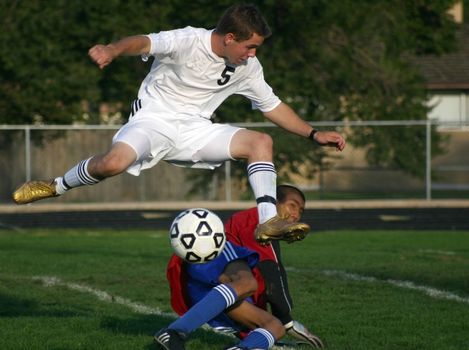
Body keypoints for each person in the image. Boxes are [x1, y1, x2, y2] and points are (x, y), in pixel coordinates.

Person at [12, 4, 345, 243]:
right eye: (250, 47)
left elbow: (272, 106)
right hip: (153, 120)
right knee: (113, 164)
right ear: (229, 37)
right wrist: (113, 50)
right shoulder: (188, 40)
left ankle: (267, 223)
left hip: (196, 130)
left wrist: (313, 134)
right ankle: (55, 186)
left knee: (261, 143)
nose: (252, 54)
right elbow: (144, 41)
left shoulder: (247, 67)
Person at [225, 184, 324, 348]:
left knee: (256, 283)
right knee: (261, 283)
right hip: (213, 284)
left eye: (300, 211)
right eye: (292, 205)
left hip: (216, 282)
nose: (296, 214)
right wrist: (287, 321)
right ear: (273, 203)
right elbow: (271, 277)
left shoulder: (258, 220)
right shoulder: (259, 224)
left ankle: (251, 337)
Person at [159, 240, 285, 350]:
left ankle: (242, 348)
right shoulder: (223, 247)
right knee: (248, 283)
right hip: (214, 255)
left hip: (215, 291)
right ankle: (176, 330)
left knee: (276, 326)